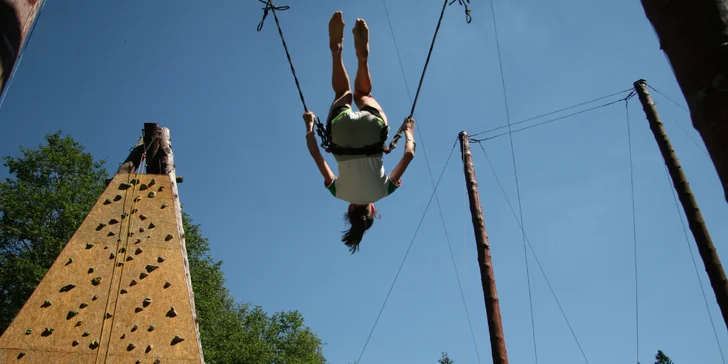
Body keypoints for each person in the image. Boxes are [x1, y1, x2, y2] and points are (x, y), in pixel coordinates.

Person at [303, 11, 416, 254]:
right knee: (342, 93)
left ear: (372, 209)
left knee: (363, 96)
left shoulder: (385, 191)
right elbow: (316, 155)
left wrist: (409, 132)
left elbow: (408, 155)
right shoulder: (338, 192)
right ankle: (337, 50)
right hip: (341, 135)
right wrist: (309, 126)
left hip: (372, 133)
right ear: (350, 209)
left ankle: (362, 59)